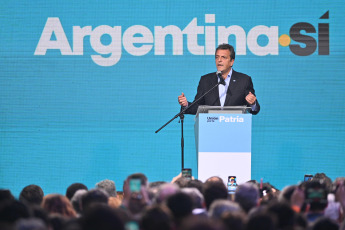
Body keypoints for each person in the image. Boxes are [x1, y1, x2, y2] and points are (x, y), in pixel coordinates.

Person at [178, 43, 260, 115]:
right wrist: (186, 104)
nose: (219, 60)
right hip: (212, 129)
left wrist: (252, 103)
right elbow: (198, 107)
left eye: (223, 57)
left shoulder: (244, 80)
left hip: (235, 129)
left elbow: (255, 110)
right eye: (217, 57)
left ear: (232, 61)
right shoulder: (205, 80)